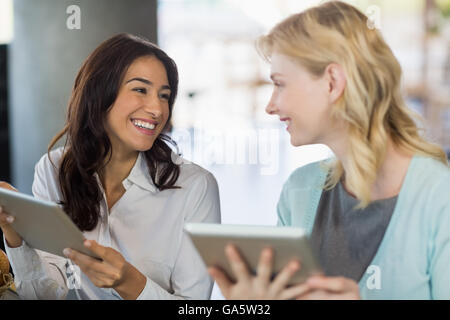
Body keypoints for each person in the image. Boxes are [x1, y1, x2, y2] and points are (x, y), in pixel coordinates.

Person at [209, 1, 450, 300]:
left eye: (280, 84)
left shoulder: (440, 199)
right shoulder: (298, 191)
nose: (271, 105)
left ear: (333, 82)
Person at [0, 33, 221, 300]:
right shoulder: (54, 169)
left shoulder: (196, 186)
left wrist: (131, 283)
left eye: (165, 96)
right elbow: (46, 294)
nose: (158, 109)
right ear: (100, 92)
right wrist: (14, 231)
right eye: (141, 89)